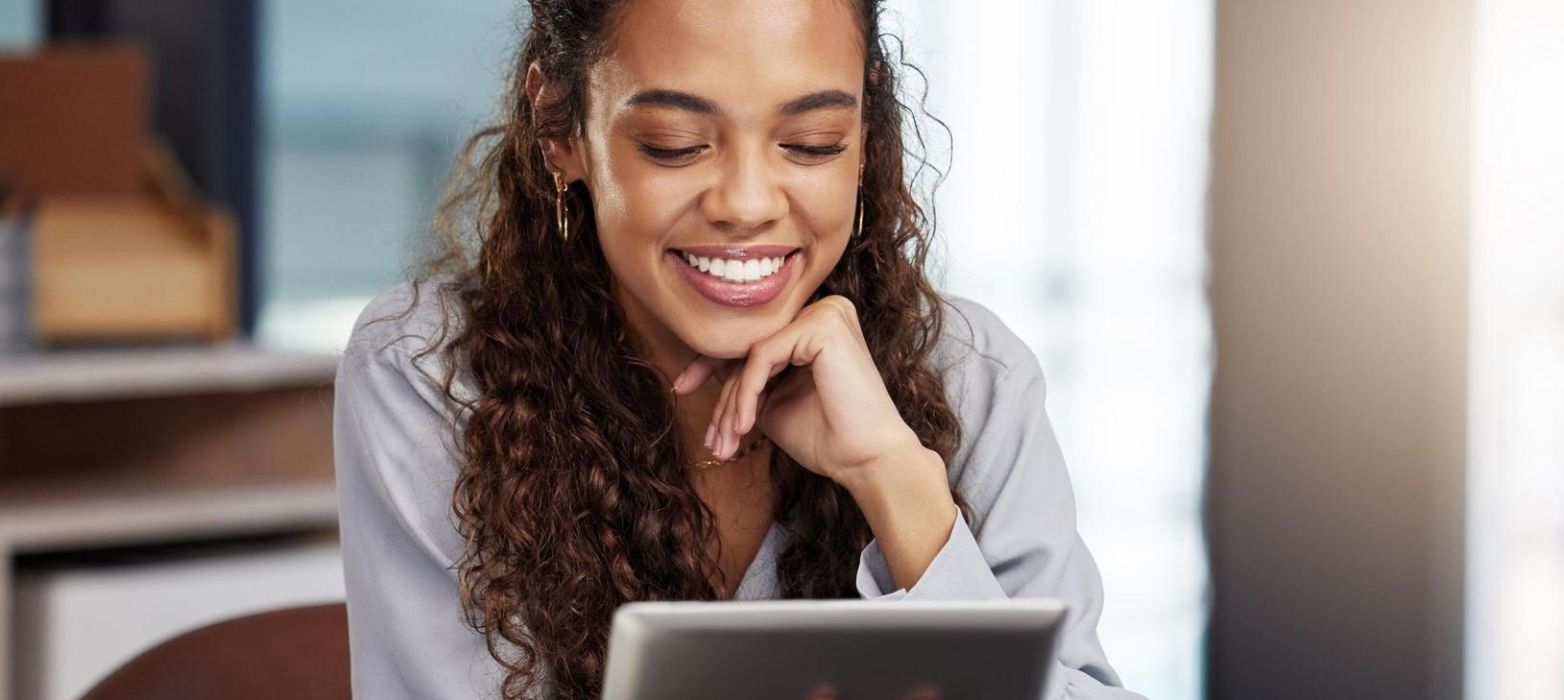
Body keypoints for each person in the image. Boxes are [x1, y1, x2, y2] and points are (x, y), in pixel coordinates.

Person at [333, 0, 1141, 697]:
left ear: (867, 141)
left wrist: (900, 483)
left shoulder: (972, 377)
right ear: (559, 131)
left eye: (814, 143)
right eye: (676, 144)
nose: (747, 204)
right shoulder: (433, 377)